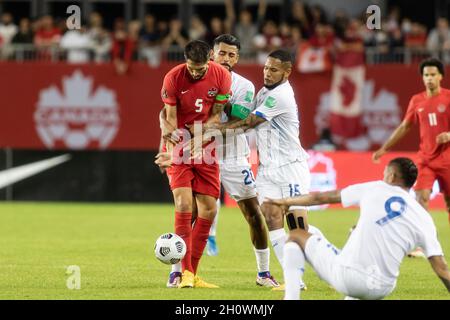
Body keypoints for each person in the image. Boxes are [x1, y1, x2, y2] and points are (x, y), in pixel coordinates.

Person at [164, 34, 279, 287]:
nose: (226, 58)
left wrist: (221, 103)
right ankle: (178, 271)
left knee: (253, 212)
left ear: (237, 58)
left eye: (231, 54)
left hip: (233, 155)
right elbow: (172, 113)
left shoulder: (244, 85)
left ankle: (263, 273)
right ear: (212, 54)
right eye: (222, 53)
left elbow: (240, 120)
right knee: (189, 211)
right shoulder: (195, 76)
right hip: (201, 153)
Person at [194, 49, 315, 290]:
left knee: (297, 224)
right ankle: (294, 279)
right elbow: (246, 117)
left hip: (290, 167)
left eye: (274, 70)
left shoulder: (280, 95)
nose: (267, 73)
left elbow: (250, 122)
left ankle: (323, 267)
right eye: (266, 68)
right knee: (271, 219)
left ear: (287, 72)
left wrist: (211, 131)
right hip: (268, 169)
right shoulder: (263, 92)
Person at [266, 157, 450, 300]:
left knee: (297, 235)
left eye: (385, 173)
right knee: (348, 231)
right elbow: (441, 268)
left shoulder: (376, 188)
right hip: (384, 288)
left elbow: (321, 198)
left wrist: (285, 201)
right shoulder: (423, 216)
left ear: (392, 177)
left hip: (351, 279)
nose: (383, 176)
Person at [156, 40, 232, 289]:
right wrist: (172, 150)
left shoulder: (221, 76)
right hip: (180, 143)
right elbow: (169, 119)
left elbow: (216, 114)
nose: (195, 72)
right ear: (185, 60)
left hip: (206, 145)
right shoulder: (174, 78)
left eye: (200, 69)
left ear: (210, 58)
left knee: (209, 210)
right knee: (184, 203)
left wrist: (201, 137)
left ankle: (191, 274)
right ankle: (177, 272)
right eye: (191, 67)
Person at [373, 58, 450, 226]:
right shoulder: (417, 100)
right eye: (426, 75)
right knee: (421, 199)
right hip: (425, 159)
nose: (429, 78)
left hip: (447, 159)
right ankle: (425, 244)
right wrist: (385, 148)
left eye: (432, 74)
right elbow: (404, 127)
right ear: (422, 77)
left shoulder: (448, 97)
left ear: (440, 76)